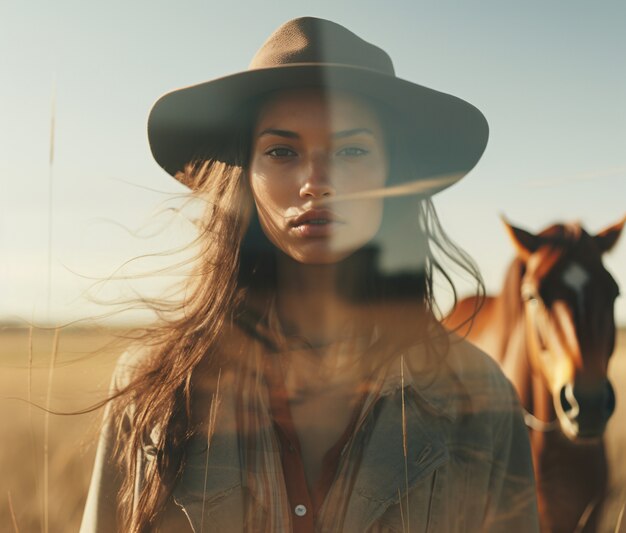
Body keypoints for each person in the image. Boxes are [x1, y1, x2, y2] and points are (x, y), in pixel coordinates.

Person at [80, 17, 539, 533]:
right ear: (245, 175)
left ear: (393, 173)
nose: (316, 182)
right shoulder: (155, 388)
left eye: (351, 150)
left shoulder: (481, 399)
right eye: (281, 151)